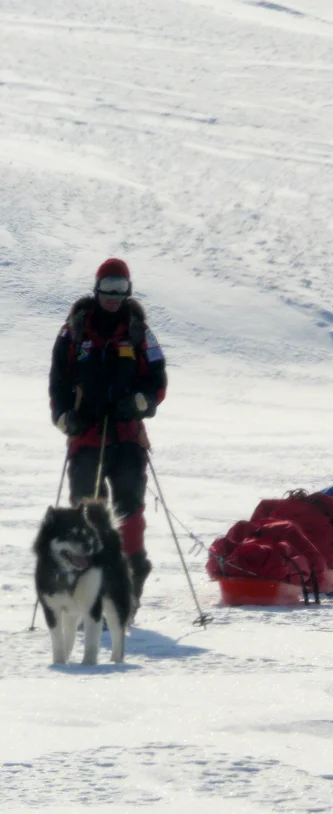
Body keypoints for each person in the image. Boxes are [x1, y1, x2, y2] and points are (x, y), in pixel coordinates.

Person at [48, 258, 167, 609]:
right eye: (107, 289)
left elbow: (157, 379)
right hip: (85, 436)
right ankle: (89, 581)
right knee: (87, 509)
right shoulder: (75, 331)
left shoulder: (139, 332)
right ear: (96, 289)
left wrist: (143, 401)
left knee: (129, 506)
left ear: (128, 290)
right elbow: (58, 380)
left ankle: (130, 578)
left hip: (127, 435)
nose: (113, 297)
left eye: (121, 290)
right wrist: (64, 417)